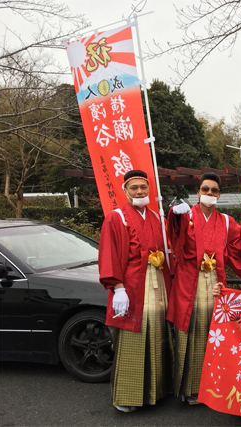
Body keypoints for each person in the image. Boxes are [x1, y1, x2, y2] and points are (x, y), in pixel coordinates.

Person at [167, 172, 241, 405]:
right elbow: (173, 237)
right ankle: (190, 389)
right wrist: (174, 215)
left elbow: (239, 243)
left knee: (215, 334)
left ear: (219, 194)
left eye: (214, 190)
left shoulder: (225, 221)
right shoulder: (186, 216)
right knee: (191, 331)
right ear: (198, 192)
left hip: (215, 281)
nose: (210, 194)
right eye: (206, 189)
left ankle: (213, 386)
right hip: (189, 282)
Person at [98, 169, 172, 413]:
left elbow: (174, 245)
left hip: (157, 283)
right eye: (134, 187)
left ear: (149, 189)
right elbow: (108, 254)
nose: (140, 191)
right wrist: (117, 287)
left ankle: (155, 392)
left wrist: (179, 220)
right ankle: (128, 396)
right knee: (133, 338)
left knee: (158, 334)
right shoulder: (116, 217)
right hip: (131, 286)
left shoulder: (157, 217)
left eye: (143, 187)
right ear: (125, 190)